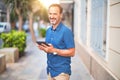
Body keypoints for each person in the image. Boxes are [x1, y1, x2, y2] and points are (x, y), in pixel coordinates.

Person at [37, 4, 75, 80]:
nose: (52, 16)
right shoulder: (48, 31)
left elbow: (72, 52)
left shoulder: (66, 31)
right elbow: (50, 49)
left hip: (62, 73)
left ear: (61, 15)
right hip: (50, 71)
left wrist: (54, 50)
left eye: (55, 14)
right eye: (50, 13)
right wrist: (45, 49)